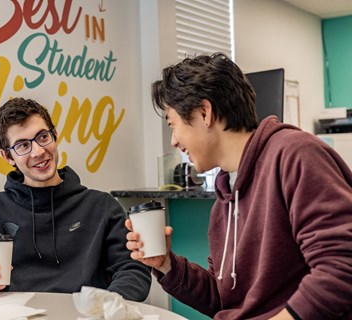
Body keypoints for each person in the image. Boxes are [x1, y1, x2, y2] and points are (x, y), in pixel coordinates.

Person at [126, 53, 352, 319]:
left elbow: (341, 267)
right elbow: (226, 300)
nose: (174, 141)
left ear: (204, 112)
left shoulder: (295, 155)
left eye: (173, 125)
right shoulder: (225, 198)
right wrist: (166, 265)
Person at [0, 97, 151, 301]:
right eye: (23, 145)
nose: (38, 152)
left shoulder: (102, 207)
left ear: (55, 135)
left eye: (42, 137)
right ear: (7, 157)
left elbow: (133, 270)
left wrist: (108, 307)